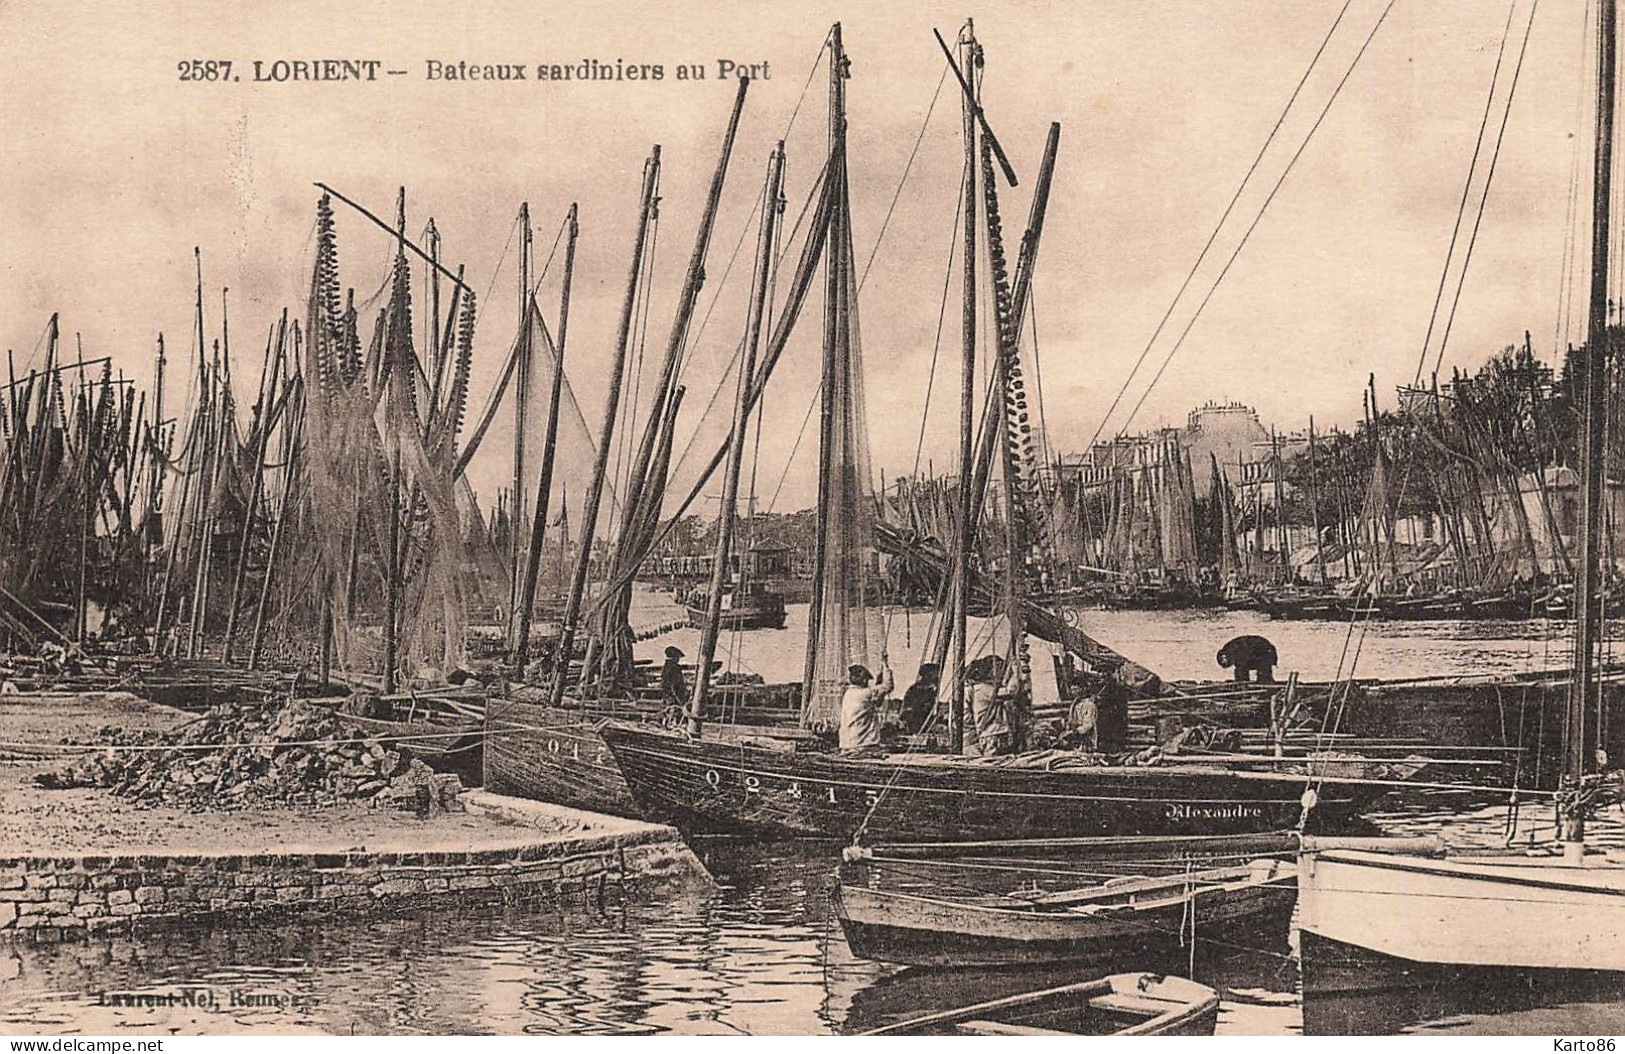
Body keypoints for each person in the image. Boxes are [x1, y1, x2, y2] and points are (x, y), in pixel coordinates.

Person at [966, 655, 1021, 757]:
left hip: (995, 734)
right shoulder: (982, 689)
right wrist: (1015, 674)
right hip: (994, 736)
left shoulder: (982, 688)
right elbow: (1011, 692)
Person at [839, 656, 894, 751]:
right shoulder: (866, 693)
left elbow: (876, 702)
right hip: (862, 745)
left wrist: (879, 679)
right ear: (864, 680)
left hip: (847, 745)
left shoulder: (849, 693)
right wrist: (885, 664)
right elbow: (888, 686)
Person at [1094, 657, 1130, 754]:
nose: (1102, 674)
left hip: (1114, 722)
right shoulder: (1096, 687)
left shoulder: (1117, 688)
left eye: (1105, 672)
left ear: (1110, 673)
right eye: (1100, 672)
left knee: (1114, 748)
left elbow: (1122, 708)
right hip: (1100, 722)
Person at [899, 663, 940, 736]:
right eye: (935, 674)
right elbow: (913, 710)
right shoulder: (917, 689)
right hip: (914, 725)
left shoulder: (928, 689)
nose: (937, 677)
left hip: (922, 725)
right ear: (928, 675)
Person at [660, 646, 687, 726]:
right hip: (673, 697)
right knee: (675, 714)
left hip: (667, 696)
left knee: (669, 713)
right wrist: (680, 700)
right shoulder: (674, 668)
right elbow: (675, 686)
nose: (678, 659)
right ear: (675, 657)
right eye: (678, 657)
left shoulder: (666, 667)